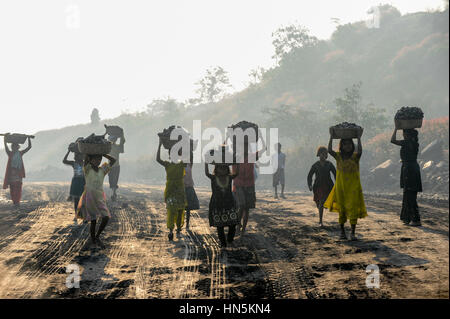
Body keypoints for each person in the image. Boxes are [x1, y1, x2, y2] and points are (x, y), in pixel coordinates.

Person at [324, 130, 367, 240]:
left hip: (353, 188)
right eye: (345, 144)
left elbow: (361, 150)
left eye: (349, 144)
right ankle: (342, 232)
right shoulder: (338, 156)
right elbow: (329, 150)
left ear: (352, 146)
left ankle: (352, 233)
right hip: (341, 188)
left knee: (353, 210)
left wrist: (359, 138)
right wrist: (331, 137)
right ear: (341, 146)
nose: (347, 146)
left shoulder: (355, 157)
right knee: (342, 210)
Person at [77, 153, 116, 248]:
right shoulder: (87, 169)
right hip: (89, 196)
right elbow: (86, 157)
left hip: (99, 196)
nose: (98, 161)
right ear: (90, 160)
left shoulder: (102, 170)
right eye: (95, 159)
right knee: (93, 220)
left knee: (106, 217)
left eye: (99, 159)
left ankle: (97, 237)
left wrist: (103, 153)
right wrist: (90, 153)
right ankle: (94, 240)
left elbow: (113, 160)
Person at [232, 136, 266, 235]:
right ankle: (238, 226)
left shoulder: (252, 156)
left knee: (246, 208)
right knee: (242, 206)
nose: (245, 149)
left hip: (249, 185)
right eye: (243, 147)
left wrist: (260, 137)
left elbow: (264, 149)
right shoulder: (236, 157)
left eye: (246, 147)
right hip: (239, 185)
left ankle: (243, 229)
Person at [390, 128, 422, 226]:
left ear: (408, 134)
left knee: (409, 194)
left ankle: (415, 219)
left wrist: (395, 129)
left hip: (409, 170)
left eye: (404, 133)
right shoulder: (414, 143)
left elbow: (392, 140)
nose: (403, 134)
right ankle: (408, 218)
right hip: (412, 168)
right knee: (410, 193)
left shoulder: (407, 142)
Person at [156, 140, 187, 241]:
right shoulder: (168, 164)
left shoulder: (182, 163)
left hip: (179, 191)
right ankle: (171, 230)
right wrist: (160, 144)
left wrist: (182, 146)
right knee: (171, 209)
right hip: (171, 191)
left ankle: (177, 228)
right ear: (169, 155)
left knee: (179, 209)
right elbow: (157, 159)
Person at [205, 162, 239, 248]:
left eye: (224, 168)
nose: (222, 170)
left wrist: (237, 164)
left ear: (227, 169)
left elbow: (237, 173)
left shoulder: (229, 177)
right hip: (217, 205)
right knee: (220, 226)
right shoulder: (213, 178)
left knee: (233, 224)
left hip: (229, 204)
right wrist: (206, 163)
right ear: (216, 169)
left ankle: (230, 239)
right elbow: (206, 173)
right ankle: (223, 243)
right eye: (220, 168)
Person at [307, 146, 336, 226]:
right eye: (321, 154)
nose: (323, 156)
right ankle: (321, 211)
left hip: (328, 186)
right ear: (318, 154)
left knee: (322, 202)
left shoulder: (329, 164)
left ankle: (320, 221)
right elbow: (309, 176)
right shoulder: (315, 165)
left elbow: (335, 174)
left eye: (325, 154)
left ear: (326, 155)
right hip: (318, 186)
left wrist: (338, 184)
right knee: (319, 203)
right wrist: (310, 185)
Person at [3, 134, 32, 207]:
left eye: (15, 146)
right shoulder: (10, 153)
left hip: (18, 174)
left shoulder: (20, 153)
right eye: (13, 146)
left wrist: (28, 138)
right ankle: (15, 201)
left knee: (18, 188)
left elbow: (29, 147)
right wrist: (4, 139)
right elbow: (6, 147)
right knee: (12, 189)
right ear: (12, 147)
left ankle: (17, 201)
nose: (14, 148)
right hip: (12, 174)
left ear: (17, 147)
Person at [63, 139, 85, 224]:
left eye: (80, 155)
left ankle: (83, 216)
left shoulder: (85, 163)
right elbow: (64, 161)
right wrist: (68, 151)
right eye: (77, 155)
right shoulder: (73, 163)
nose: (78, 156)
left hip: (83, 181)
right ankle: (76, 215)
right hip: (76, 181)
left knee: (83, 200)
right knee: (76, 200)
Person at [107, 133, 125, 201]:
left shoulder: (109, 147)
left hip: (114, 166)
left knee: (113, 180)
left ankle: (114, 193)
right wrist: (122, 137)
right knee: (113, 181)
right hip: (113, 166)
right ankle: (113, 193)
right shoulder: (112, 147)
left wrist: (122, 137)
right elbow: (122, 144)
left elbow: (122, 144)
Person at [184, 158, 200, 230]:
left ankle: (187, 223)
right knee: (181, 207)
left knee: (188, 208)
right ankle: (180, 224)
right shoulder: (179, 166)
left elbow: (192, 158)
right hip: (182, 188)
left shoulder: (189, 165)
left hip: (189, 187)